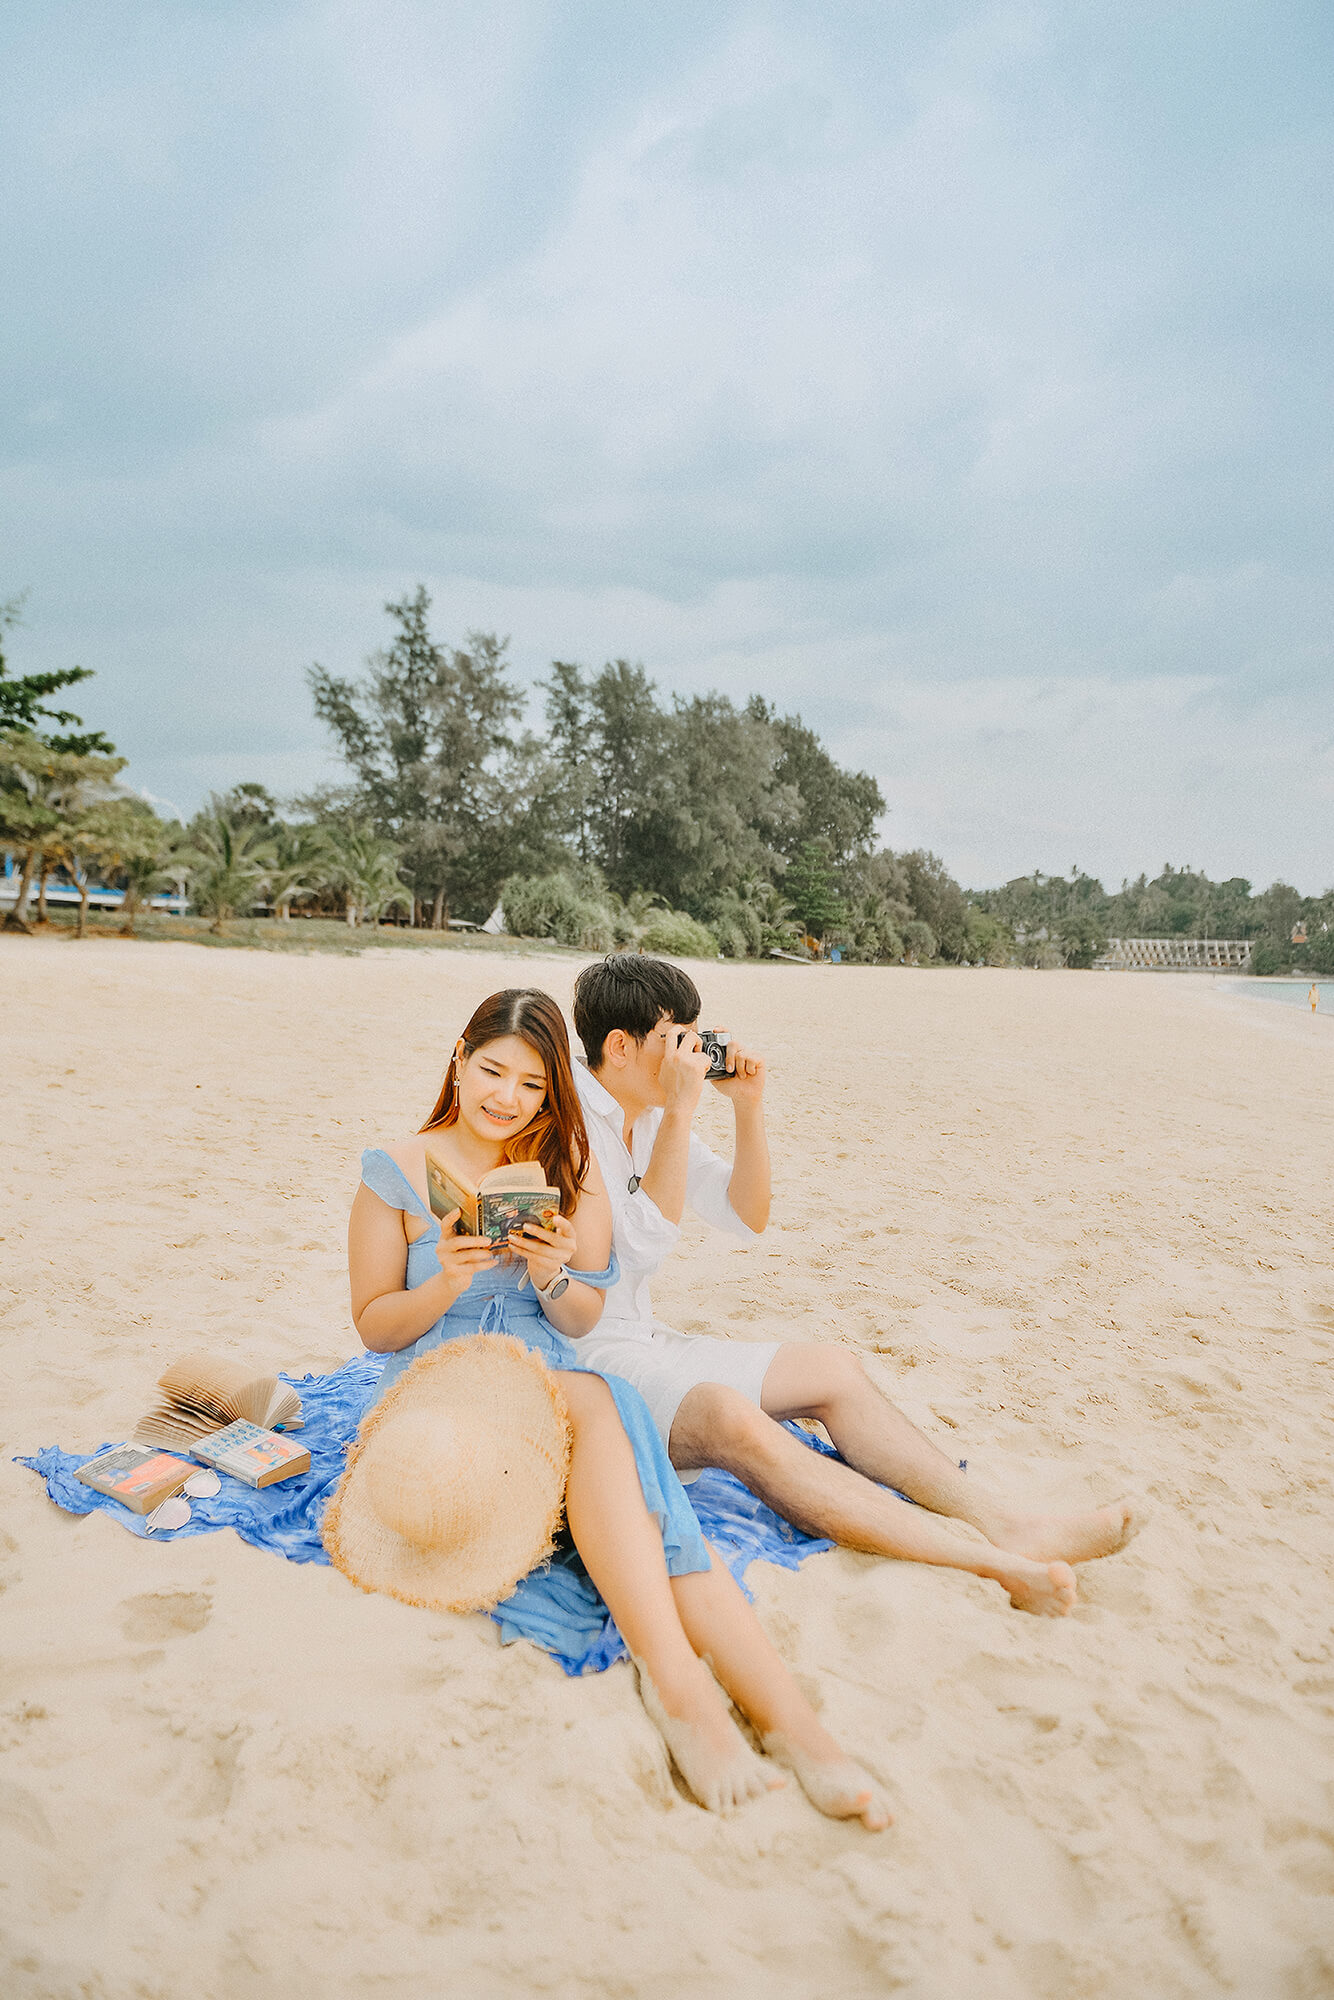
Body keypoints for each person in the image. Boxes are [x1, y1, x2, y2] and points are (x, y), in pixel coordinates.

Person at [346, 986, 889, 1827]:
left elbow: (581, 1318)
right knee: (609, 1423)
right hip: (441, 1386)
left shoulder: (568, 1167)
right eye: (492, 1071)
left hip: (545, 1381)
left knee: (625, 1449)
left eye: (532, 1086)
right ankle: (688, 1694)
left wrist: (551, 1273)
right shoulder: (396, 1170)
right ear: (458, 1058)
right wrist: (446, 1279)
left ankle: (797, 1731)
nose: (507, 1099)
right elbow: (375, 1327)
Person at [571, 956, 1140, 1616]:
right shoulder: (575, 1125)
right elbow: (644, 1241)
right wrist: (682, 1112)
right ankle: (987, 1563)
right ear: (619, 1046)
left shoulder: (651, 1112)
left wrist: (748, 1110)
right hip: (589, 1364)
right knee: (732, 1416)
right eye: (679, 1040)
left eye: (701, 1039)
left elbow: (745, 1213)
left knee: (834, 1371)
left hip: (643, 1338)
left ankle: (1005, 1522)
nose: (696, 1056)